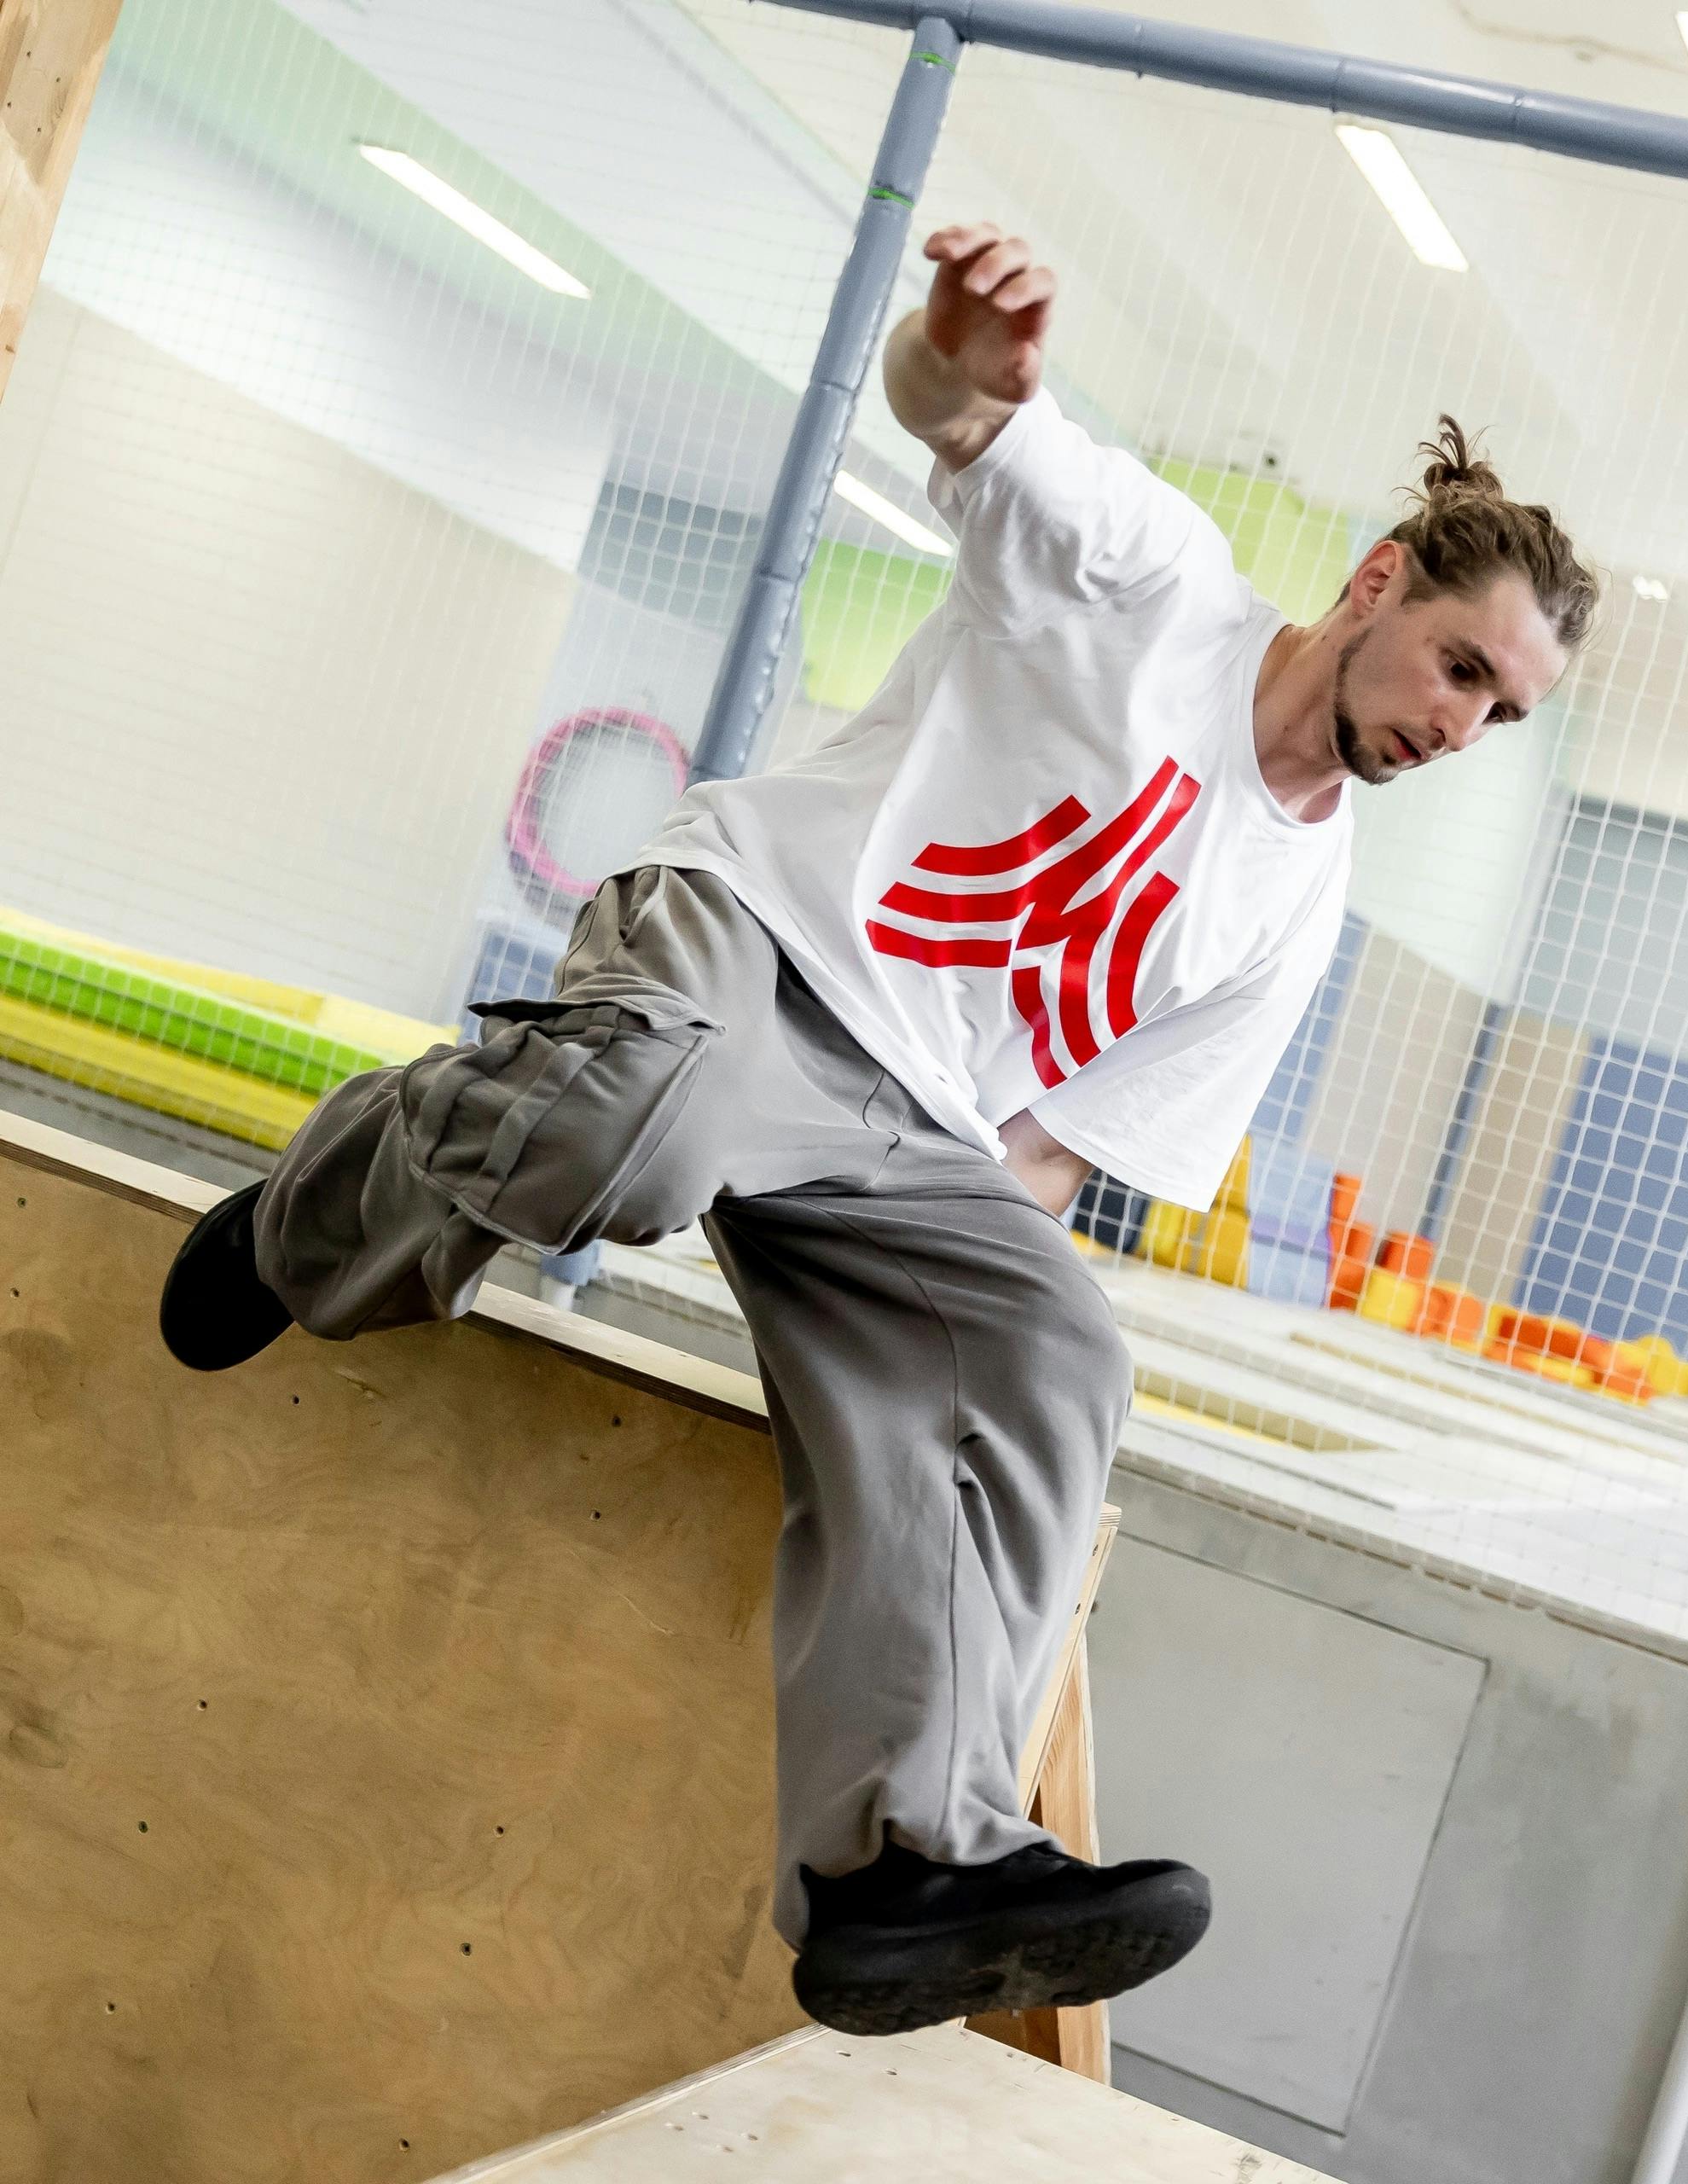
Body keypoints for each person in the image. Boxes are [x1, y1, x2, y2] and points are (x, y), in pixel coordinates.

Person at [159, 221, 1596, 2037]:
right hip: (754, 934)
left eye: (1503, 714)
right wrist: (958, 361)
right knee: (633, 1135)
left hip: (915, 1121)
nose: (1463, 726)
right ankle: (311, 1214)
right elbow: (964, 423)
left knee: (1057, 1350)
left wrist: (926, 1338)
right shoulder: (1154, 583)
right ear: (1381, 582)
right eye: (1461, 668)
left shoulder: (1293, 911)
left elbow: (1046, 1161)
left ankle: (908, 1856)